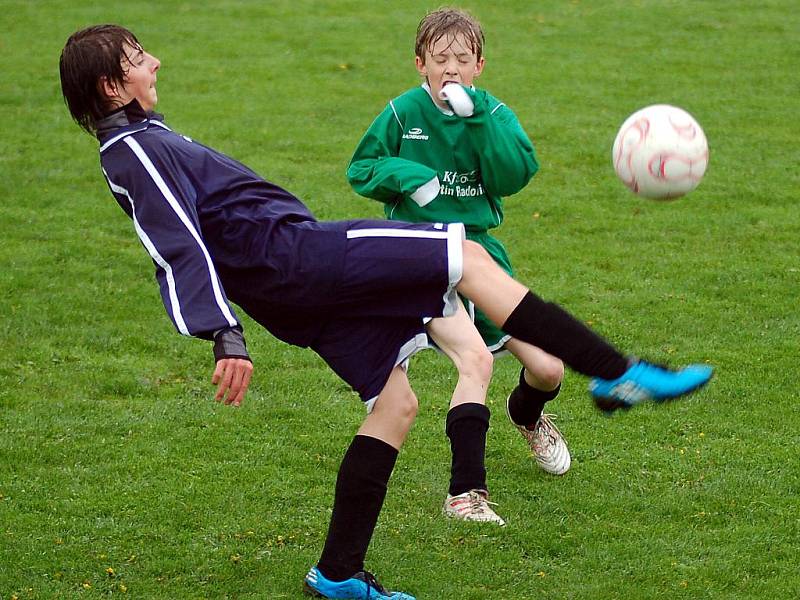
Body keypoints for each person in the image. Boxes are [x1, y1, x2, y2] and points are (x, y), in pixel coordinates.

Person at [59, 24, 713, 600]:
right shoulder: (129, 149)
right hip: (298, 258)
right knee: (470, 259)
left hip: (288, 286)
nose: (157, 62)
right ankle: (616, 372)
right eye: (140, 57)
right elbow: (177, 241)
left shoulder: (140, 135)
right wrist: (222, 332)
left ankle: (339, 572)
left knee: (397, 405)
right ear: (114, 86)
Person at [347, 7, 569, 524]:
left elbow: (514, 174)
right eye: (440, 58)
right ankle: (466, 494)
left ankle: (527, 416)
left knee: (548, 366)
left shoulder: (493, 113)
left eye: (462, 59)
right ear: (419, 63)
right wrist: (407, 176)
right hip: (419, 258)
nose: (451, 68)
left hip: (481, 256)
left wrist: (478, 121)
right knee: (475, 363)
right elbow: (361, 167)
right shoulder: (403, 113)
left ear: (480, 66)